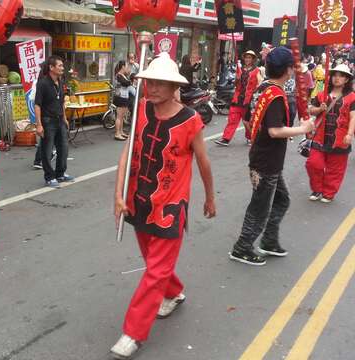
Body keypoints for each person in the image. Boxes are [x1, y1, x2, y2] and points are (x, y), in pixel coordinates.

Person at [111, 52, 216, 359]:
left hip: (171, 207)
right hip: (139, 201)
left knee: (155, 271)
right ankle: (174, 292)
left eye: (161, 83)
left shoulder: (190, 120)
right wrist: (118, 195)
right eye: (149, 82)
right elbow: (126, 154)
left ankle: (133, 332)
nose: (153, 88)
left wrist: (210, 197)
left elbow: (203, 162)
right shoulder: (141, 109)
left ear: (174, 87)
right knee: (154, 263)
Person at [229, 47, 315, 266]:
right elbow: (275, 130)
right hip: (266, 161)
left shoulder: (262, 88)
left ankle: (268, 240)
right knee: (260, 207)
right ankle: (242, 247)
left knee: (281, 200)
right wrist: (303, 128)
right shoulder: (275, 95)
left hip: (263, 156)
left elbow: (247, 119)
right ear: (287, 70)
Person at [306, 64, 355, 203]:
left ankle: (329, 192)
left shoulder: (352, 97)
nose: (337, 78)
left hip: (339, 138)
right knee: (313, 163)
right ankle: (317, 188)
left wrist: (350, 134)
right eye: (335, 75)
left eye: (341, 76)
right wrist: (319, 109)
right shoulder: (322, 94)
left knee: (336, 169)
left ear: (346, 80)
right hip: (320, 136)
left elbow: (353, 117)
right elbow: (310, 110)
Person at [35, 55, 74, 188]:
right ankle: (49, 177)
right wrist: (39, 124)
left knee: (63, 148)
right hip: (47, 121)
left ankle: (60, 173)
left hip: (59, 120)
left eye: (62, 66)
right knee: (47, 150)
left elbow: (61, 101)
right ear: (51, 68)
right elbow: (37, 105)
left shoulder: (61, 81)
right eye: (60, 66)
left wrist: (64, 118)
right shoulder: (43, 83)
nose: (62, 68)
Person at [215, 50, 262, 146]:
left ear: (253, 59)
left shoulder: (257, 71)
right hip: (238, 98)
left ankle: (250, 137)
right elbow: (236, 83)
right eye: (246, 57)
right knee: (232, 119)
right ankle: (226, 139)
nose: (247, 59)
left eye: (250, 57)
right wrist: (237, 78)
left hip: (248, 100)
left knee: (247, 122)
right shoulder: (240, 69)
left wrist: (254, 93)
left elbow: (260, 84)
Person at [113, 60, 132, 141]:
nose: (127, 68)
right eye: (126, 66)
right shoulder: (119, 75)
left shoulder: (123, 75)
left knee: (122, 116)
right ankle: (117, 133)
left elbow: (128, 82)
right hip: (120, 98)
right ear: (123, 66)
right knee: (119, 116)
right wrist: (130, 81)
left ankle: (121, 132)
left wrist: (129, 80)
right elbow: (126, 83)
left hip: (124, 97)